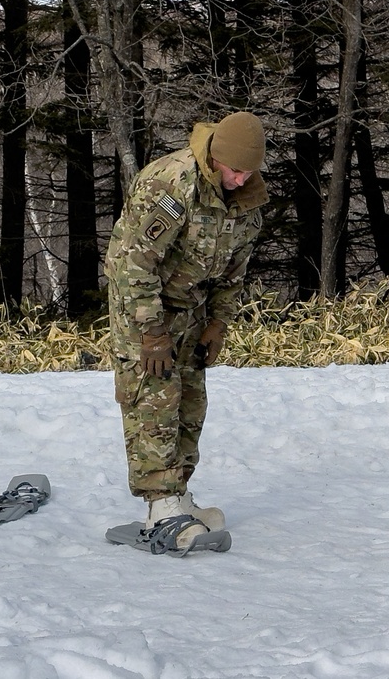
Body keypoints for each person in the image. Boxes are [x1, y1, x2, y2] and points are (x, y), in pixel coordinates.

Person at [105, 111, 269, 548]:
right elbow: (130, 262)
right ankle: (161, 505)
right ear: (216, 157)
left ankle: (178, 493)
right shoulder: (172, 184)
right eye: (235, 170)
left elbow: (234, 273)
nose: (241, 179)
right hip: (143, 309)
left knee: (191, 404)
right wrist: (151, 332)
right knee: (154, 402)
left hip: (191, 312)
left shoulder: (247, 200)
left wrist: (218, 324)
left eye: (249, 171)